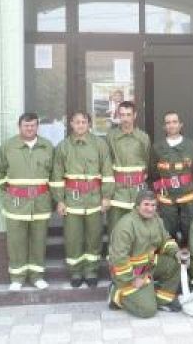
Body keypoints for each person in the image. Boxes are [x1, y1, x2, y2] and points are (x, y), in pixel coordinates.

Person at [51, 111, 114, 288]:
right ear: (71, 124)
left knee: (94, 237)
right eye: (77, 122)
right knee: (73, 238)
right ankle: (76, 272)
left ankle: (91, 271)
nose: (80, 125)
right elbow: (57, 176)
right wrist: (59, 200)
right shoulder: (63, 147)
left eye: (83, 122)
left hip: (94, 199)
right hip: (72, 200)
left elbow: (107, 172)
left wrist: (106, 197)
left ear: (89, 124)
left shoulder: (100, 144)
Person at [0, 112, 54, 291]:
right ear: (19, 126)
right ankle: (17, 278)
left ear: (37, 127)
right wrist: (10, 194)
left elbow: (54, 175)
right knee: (16, 242)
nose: (30, 128)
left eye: (33, 125)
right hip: (16, 204)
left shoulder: (47, 146)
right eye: (26, 125)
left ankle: (37, 276)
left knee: (38, 241)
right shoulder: (8, 146)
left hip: (41, 203)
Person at [108, 190, 182, 318]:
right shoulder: (126, 225)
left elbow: (165, 240)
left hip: (149, 266)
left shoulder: (156, 220)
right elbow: (118, 259)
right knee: (148, 311)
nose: (150, 209)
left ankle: (161, 301)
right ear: (137, 206)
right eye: (146, 204)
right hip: (130, 274)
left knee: (175, 263)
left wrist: (176, 252)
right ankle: (115, 294)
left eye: (153, 205)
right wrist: (132, 279)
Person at [150, 111, 193, 245]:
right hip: (166, 198)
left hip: (188, 196)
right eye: (168, 123)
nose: (171, 125)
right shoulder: (157, 147)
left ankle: (189, 256)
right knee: (168, 233)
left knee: (190, 233)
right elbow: (153, 172)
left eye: (174, 122)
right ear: (164, 126)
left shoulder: (191, 145)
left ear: (180, 124)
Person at [105, 101, 151, 240]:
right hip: (117, 192)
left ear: (134, 115)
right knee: (116, 231)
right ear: (118, 116)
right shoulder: (111, 137)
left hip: (138, 191)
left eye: (128, 115)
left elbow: (147, 161)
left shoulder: (143, 137)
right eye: (122, 115)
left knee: (139, 232)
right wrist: (107, 194)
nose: (125, 118)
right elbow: (106, 164)